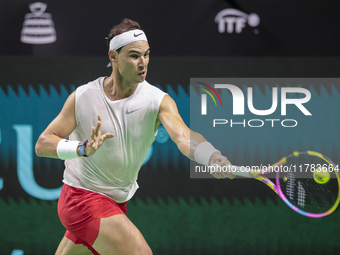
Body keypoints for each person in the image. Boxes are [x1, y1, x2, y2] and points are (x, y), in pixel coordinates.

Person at [35, 18, 234, 255]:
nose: (143, 63)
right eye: (134, 55)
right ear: (113, 57)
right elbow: (43, 143)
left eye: (147, 55)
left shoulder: (156, 100)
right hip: (81, 198)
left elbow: (183, 136)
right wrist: (81, 148)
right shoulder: (83, 97)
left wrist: (210, 155)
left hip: (115, 201)